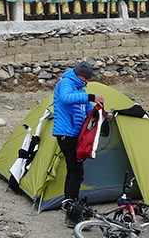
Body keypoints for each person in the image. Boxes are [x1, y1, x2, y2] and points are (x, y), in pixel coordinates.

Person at [52, 61, 104, 228]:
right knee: (76, 172)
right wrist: (91, 96)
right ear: (80, 75)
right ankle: (71, 215)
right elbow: (66, 99)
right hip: (66, 134)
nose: (87, 82)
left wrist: (102, 112)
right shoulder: (66, 83)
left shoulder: (78, 87)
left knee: (73, 170)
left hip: (75, 134)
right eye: (86, 79)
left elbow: (85, 107)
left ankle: (70, 205)